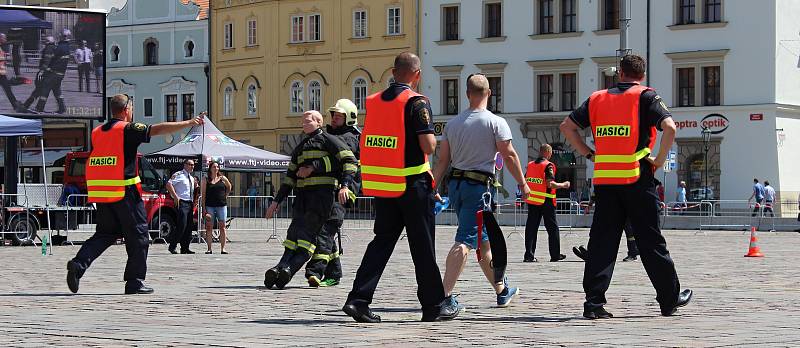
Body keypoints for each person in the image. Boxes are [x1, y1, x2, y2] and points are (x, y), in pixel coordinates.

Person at [559, 54, 692, 319]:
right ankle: (669, 299)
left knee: (602, 242)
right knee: (651, 240)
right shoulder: (646, 97)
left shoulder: (597, 98)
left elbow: (567, 127)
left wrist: (589, 153)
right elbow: (670, 127)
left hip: (607, 179)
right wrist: (659, 160)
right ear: (641, 75)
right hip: (637, 177)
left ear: (619, 73)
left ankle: (594, 304)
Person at [342, 52, 461, 323]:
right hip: (413, 184)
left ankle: (358, 299)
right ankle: (432, 306)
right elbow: (428, 145)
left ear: (394, 72)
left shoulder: (374, 102)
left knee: (381, 243)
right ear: (417, 75)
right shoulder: (416, 102)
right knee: (423, 246)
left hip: (385, 185)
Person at [65, 94, 204, 294]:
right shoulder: (127, 129)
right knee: (139, 236)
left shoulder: (97, 132)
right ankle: (134, 282)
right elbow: (157, 129)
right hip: (125, 192)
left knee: (105, 234)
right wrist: (190, 123)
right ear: (126, 110)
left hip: (103, 194)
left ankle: (79, 265)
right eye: (131, 108)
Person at [432, 74, 525, 309]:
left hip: (456, 187)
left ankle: (501, 290)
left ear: (467, 94)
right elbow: (510, 155)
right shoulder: (495, 122)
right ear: (489, 93)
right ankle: (442, 297)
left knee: (483, 243)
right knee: (465, 240)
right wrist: (523, 184)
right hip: (479, 188)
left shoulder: (453, 124)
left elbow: (442, 161)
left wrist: (432, 186)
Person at [263, 110, 358, 290]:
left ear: (318, 122)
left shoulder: (329, 140)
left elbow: (349, 161)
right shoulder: (301, 147)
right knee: (294, 234)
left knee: (309, 237)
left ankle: (291, 270)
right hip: (302, 198)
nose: (303, 124)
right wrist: (276, 202)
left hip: (322, 198)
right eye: (302, 121)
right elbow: (290, 178)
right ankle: (280, 268)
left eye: (307, 121)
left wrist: (344, 185)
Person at [304, 98, 361, 288]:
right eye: (334, 116)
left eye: (339, 116)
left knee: (326, 230)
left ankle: (314, 272)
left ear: (349, 119)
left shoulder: (350, 138)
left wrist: (314, 166)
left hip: (343, 191)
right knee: (326, 231)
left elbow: (336, 162)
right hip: (329, 190)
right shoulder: (330, 135)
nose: (335, 119)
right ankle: (334, 273)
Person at [523, 143, 571, 263]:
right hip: (547, 201)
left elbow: (525, 179)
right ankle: (555, 255)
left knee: (531, 229)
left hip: (533, 201)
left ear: (540, 152)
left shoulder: (530, 165)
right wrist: (564, 185)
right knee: (552, 229)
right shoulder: (548, 165)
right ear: (549, 153)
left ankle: (529, 255)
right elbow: (550, 183)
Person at [166, 159, 199, 254]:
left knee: (189, 226)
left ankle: (185, 248)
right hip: (182, 202)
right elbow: (169, 184)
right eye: (190, 164)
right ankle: (172, 246)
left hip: (190, 203)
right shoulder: (179, 175)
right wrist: (175, 196)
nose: (192, 166)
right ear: (185, 165)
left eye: (193, 165)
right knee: (182, 225)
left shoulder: (192, 178)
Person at [201, 161, 231, 254]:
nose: (216, 168)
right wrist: (204, 208)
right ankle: (209, 248)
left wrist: (225, 195)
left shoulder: (222, 178)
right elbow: (203, 194)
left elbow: (229, 187)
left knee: (222, 226)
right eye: (214, 167)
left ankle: (223, 248)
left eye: (217, 167)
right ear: (210, 168)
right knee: (209, 227)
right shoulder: (206, 179)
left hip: (221, 205)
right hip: (210, 206)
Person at [21, 36, 56, 112]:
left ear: (48, 42)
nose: (44, 42)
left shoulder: (49, 48)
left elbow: (47, 60)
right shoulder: (54, 48)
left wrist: (42, 71)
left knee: (39, 90)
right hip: (50, 73)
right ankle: (29, 105)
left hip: (45, 72)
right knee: (41, 91)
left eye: (45, 41)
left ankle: (29, 106)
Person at [0, 33, 26, 112]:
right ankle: (15, 105)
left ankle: (15, 105)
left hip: (2, 74)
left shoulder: (1, 48)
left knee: (8, 89)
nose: (5, 39)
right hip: (1, 73)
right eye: (4, 38)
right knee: (8, 89)